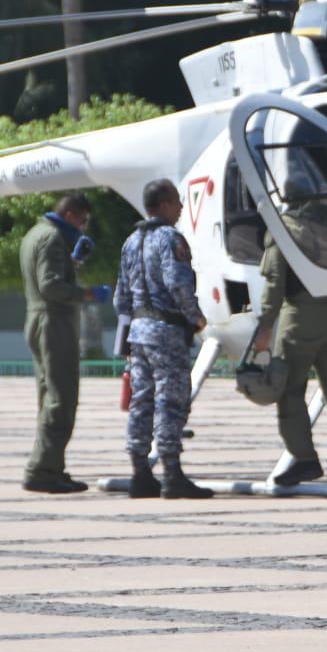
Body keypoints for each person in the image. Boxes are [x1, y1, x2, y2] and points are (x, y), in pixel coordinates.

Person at [252, 190, 327, 486]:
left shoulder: (284, 226)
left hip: (299, 316)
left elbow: (275, 281)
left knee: (288, 389)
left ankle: (305, 459)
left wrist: (265, 325)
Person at [115, 179, 212, 500]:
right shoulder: (170, 239)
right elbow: (178, 283)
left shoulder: (130, 242)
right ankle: (172, 474)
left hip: (138, 333)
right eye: (178, 201)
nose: (182, 207)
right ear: (166, 204)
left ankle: (139, 473)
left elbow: (121, 298)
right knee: (170, 400)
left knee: (141, 401)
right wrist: (195, 317)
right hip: (167, 333)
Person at [20, 192, 111, 493]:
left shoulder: (35, 233)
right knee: (61, 399)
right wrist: (87, 294)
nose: (83, 228)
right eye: (82, 220)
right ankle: (42, 469)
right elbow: (51, 286)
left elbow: (48, 276)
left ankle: (52, 466)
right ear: (71, 214)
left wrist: (73, 263)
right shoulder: (52, 238)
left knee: (50, 396)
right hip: (53, 322)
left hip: (41, 320)